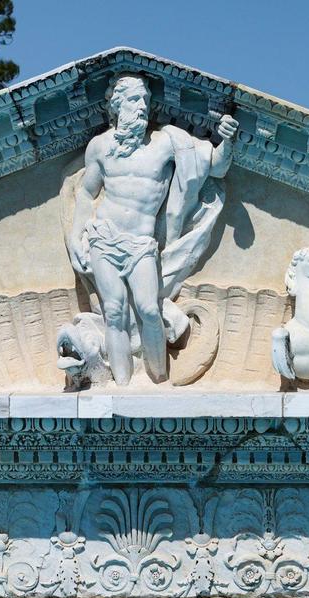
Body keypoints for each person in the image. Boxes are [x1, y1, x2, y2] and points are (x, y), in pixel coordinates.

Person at [68, 73, 238, 384]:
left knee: (148, 309)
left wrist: (226, 140)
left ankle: (158, 381)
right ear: (118, 106)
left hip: (142, 244)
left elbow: (215, 164)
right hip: (104, 239)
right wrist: (75, 238)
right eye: (135, 100)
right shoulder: (100, 147)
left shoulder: (166, 143)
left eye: (146, 100)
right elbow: (86, 192)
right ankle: (122, 386)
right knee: (115, 312)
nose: (143, 106)